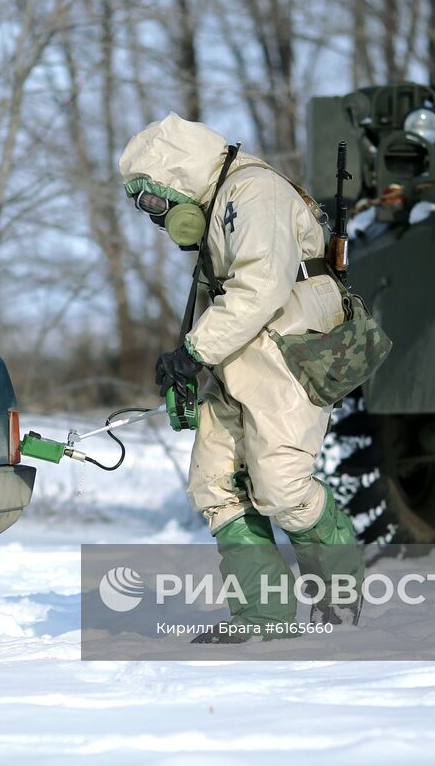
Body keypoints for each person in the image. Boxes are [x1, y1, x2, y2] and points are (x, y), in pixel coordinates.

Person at [118, 113, 361, 640]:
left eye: (156, 201)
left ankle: (341, 600)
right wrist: (191, 358)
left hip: (289, 352)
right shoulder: (221, 202)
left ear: (178, 175)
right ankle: (266, 616)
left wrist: (193, 351)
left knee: (280, 487)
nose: (157, 218)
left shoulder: (251, 192)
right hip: (243, 357)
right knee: (215, 483)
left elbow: (260, 288)